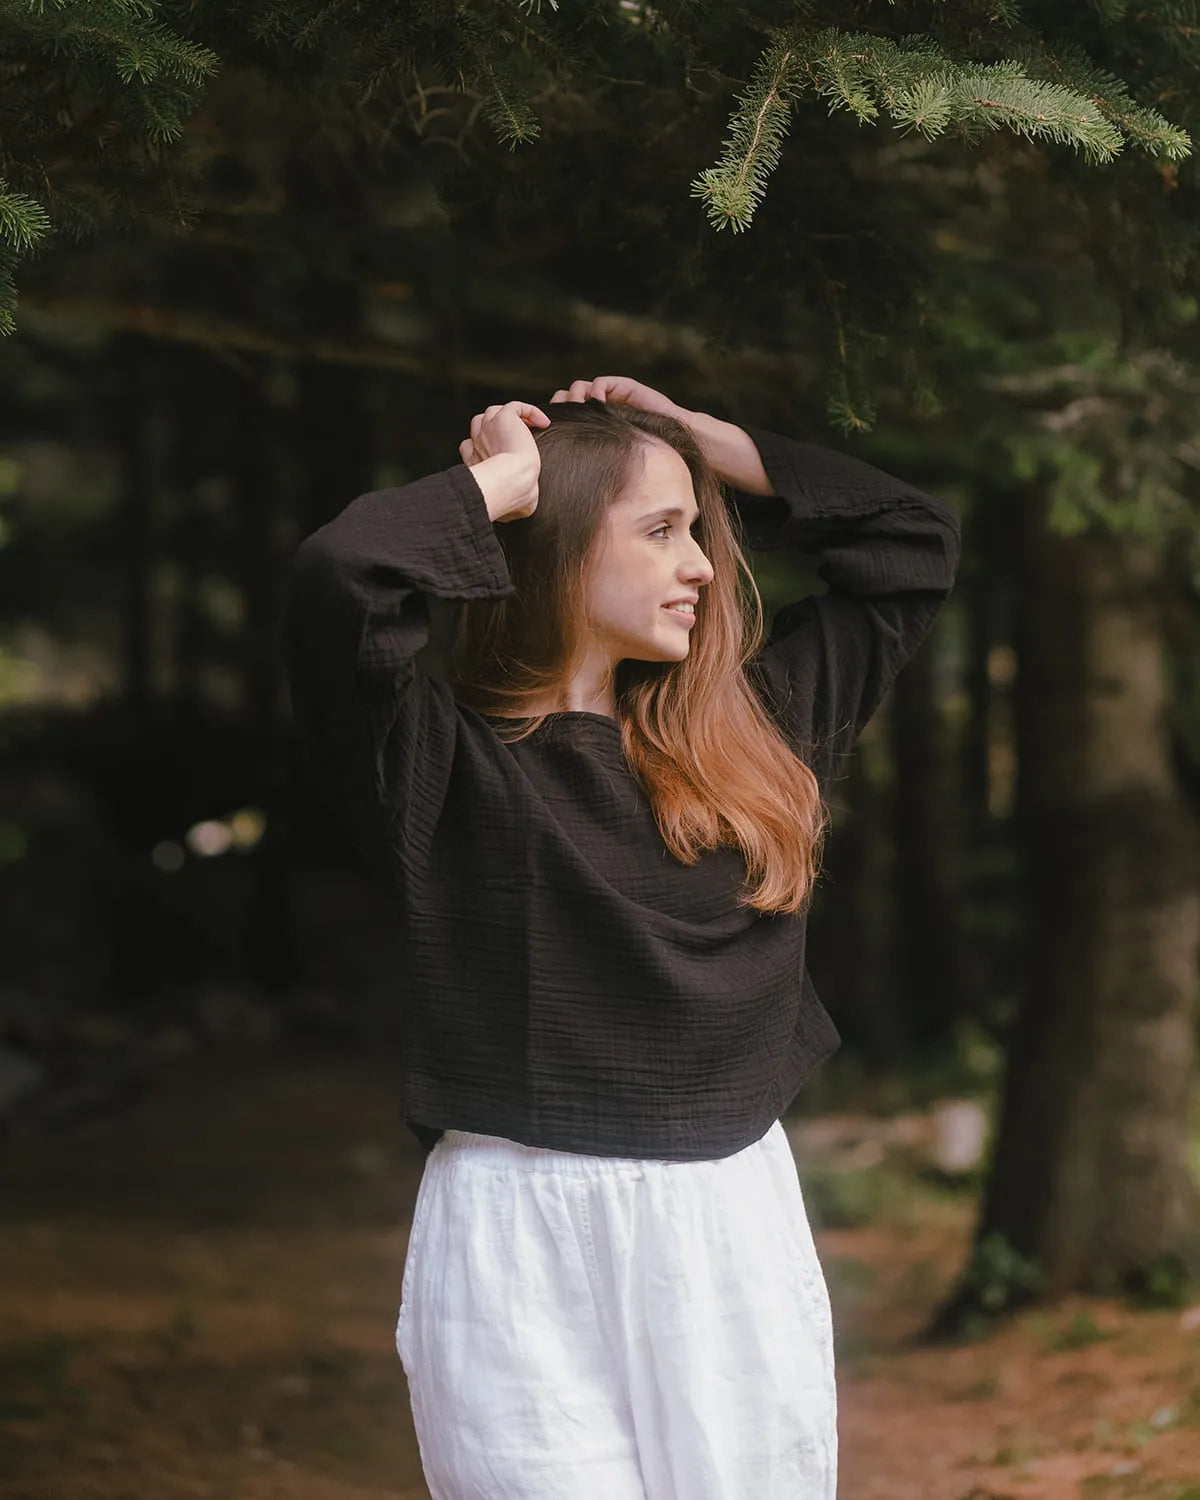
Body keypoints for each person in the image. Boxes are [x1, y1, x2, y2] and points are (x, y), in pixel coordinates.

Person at [283, 375, 961, 1500]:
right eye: (660, 531)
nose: (700, 564)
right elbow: (338, 579)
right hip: (514, 1231)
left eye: (698, 531)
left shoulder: (757, 729)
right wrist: (495, 485)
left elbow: (912, 543)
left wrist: (698, 445)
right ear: (549, 547)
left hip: (727, 1225)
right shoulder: (442, 766)